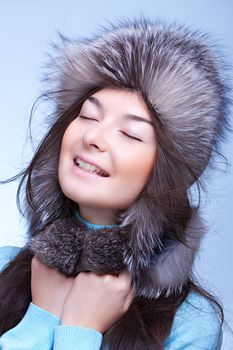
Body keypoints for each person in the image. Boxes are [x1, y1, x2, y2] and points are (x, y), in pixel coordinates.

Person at [0, 17, 230, 349]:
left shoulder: (191, 323)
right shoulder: (4, 266)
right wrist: (41, 317)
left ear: (167, 172)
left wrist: (80, 330)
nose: (93, 136)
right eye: (88, 115)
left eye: (130, 133)